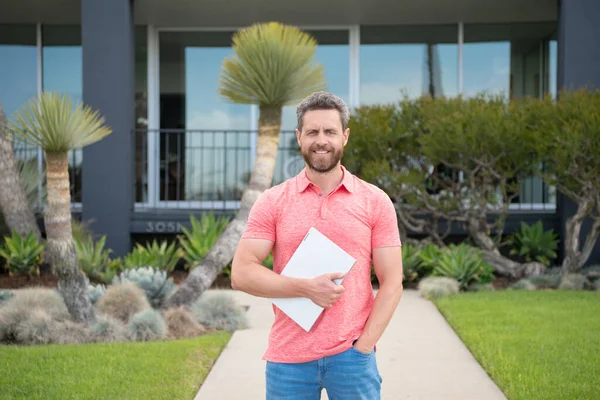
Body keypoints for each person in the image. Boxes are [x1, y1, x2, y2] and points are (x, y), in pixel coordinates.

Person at [231, 91, 403, 400]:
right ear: (299, 137)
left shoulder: (374, 201)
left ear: (345, 137)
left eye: (329, 131)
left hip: (352, 358)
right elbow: (241, 273)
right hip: (288, 359)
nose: (321, 140)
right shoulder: (272, 201)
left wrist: (363, 347)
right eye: (312, 132)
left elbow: (392, 282)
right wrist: (306, 288)